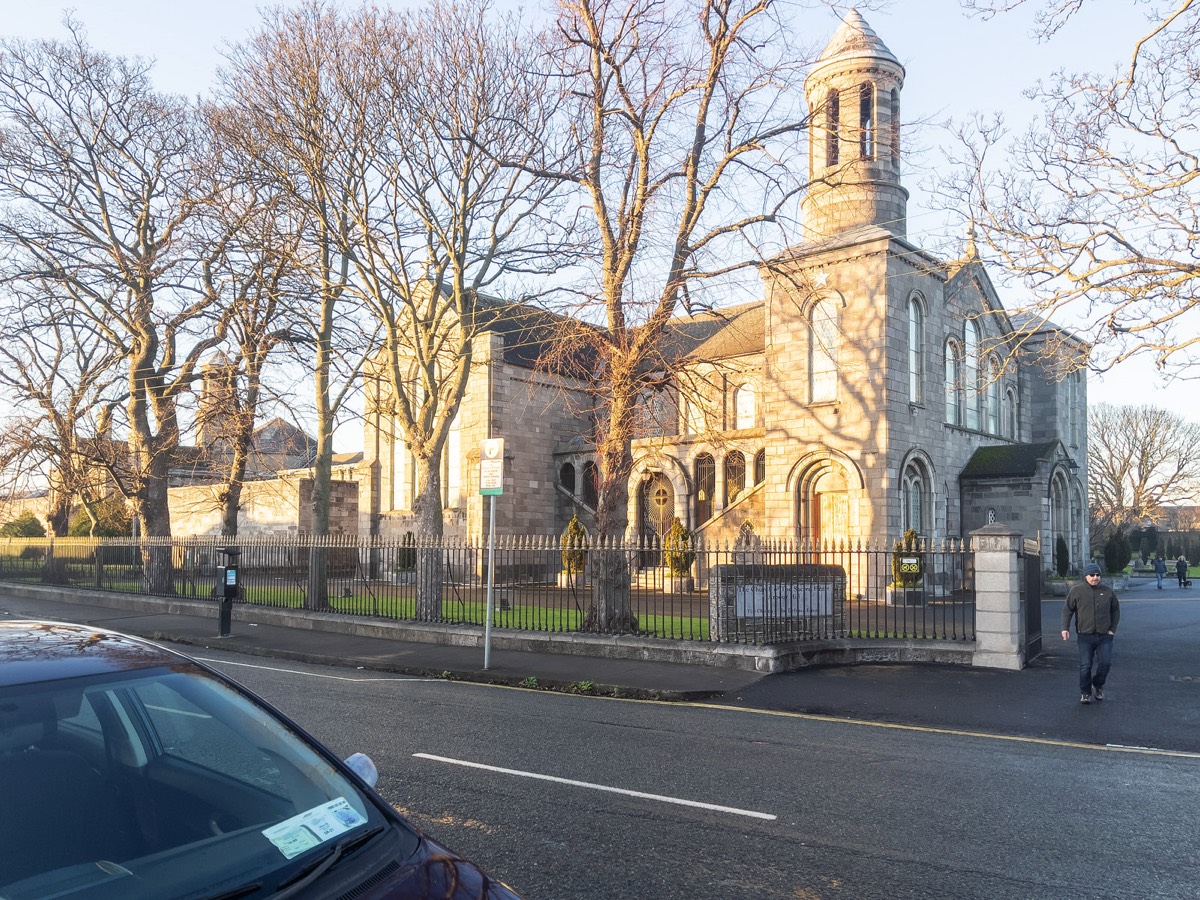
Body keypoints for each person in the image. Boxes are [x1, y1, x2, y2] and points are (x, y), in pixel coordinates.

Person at [1062, 561, 1120, 704]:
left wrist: (1112, 629)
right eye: (1092, 575)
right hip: (1085, 635)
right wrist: (1065, 628)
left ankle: (1098, 685)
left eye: (1098, 575)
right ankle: (1085, 693)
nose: (1095, 577)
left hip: (1105, 635)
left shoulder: (1107, 591)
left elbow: (1116, 610)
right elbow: (1068, 610)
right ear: (1085, 576)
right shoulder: (1077, 591)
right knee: (1085, 665)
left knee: (1105, 663)